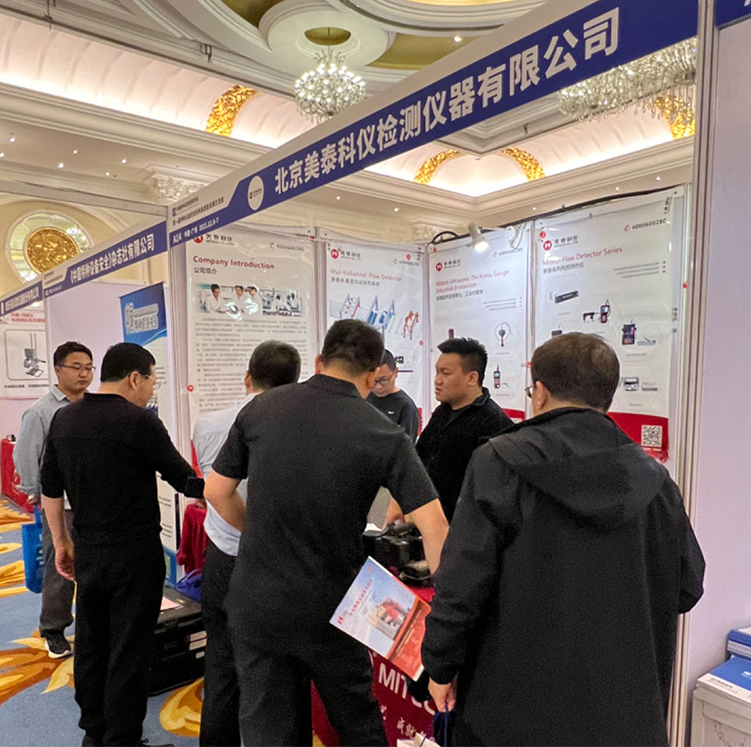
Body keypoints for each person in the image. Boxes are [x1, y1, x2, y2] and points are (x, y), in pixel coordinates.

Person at [421, 332, 705, 747]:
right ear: (607, 396)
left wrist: (440, 666)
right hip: (623, 715)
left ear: (539, 393)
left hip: (512, 710)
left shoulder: (499, 462)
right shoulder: (656, 482)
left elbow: (461, 584)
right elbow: (688, 586)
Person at [206, 319, 449, 746]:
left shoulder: (260, 408)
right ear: (373, 375)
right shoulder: (384, 433)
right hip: (333, 605)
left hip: (257, 600)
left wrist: (258, 531)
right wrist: (448, 620)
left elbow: (216, 491)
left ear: (319, 360)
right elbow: (435, 526)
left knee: (268, 729)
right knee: (358, 725)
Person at [41, 343, 204, 747]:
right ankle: (123, 739)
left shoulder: (64, 418)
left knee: (92, 642)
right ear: (135, 378)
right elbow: (183, 478)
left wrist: (61, 542)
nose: (151, 390)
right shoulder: (140, 421)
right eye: (151, 381)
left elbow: (50, 490)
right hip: (134, 555)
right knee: (130, 649)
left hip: (88, 550)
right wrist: (222, 492)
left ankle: (94, 732)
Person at [193, 341, 302, 747]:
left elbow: (212, 488)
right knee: (276, 672)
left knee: (220, 664)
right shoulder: (297, 427)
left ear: (247, 377)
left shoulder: (207, 424)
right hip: (273, 562)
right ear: (295, 384)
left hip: (222, 556)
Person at [14, 340, 94, 659]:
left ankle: (91, 626)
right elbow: (26, 456)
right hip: (60, 505)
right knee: (60, 565)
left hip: (94, 501)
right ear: (58, 370)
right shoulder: (41, 411)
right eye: (76, 368)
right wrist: (37, 494)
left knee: (94, 565)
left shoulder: (94, 407)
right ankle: (54, 629)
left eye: (88, 368)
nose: (84, 374)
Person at [386, 337, 513, 525]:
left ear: (472, 378)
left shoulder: (495, 423)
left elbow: (492, 493)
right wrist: (398, 501)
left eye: (445, 373)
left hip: (463, 529)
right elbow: (417, 460)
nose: (437, 380)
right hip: (425, 522)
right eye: (437, 372)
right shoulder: (442, 412)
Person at [367, 349, 419, 441]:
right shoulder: (363, 397)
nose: (378, 386)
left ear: (395, 373)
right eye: (374, 380)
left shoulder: (406, 407)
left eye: (384, 380)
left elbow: (407, 445)